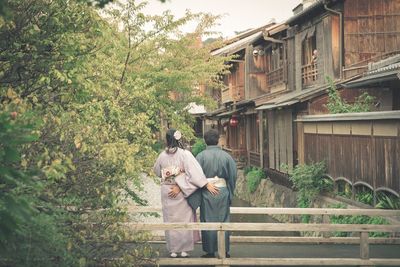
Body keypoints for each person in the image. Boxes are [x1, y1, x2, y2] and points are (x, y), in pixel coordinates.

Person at [153, 128, 219, 258]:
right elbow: (195, 173)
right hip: (181, 191)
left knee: (170, 220)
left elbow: (156, 171)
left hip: (167, 190)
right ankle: (184, 250)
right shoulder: (185, 154)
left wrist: (169, 177)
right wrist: (203, 183)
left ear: (166, 140)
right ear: (179, 139)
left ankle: (172, 250)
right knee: (184, 219)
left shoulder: (161, 155)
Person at [195, 129, 237, 258]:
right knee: (223, 220)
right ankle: (224, 250)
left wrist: (203, 186)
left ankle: (210, 251)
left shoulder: (200, 156)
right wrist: (230, 191)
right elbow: (233, 175)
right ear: (218, 140)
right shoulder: (226, 156)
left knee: (207, 220)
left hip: (206, 191)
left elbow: (194, 176)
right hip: (222, 191)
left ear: (205, 140)